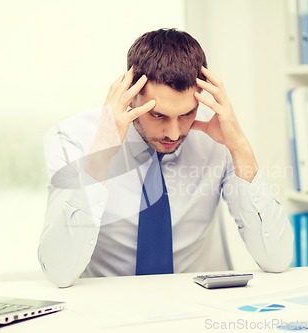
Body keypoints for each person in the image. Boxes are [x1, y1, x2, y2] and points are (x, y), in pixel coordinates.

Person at [38, 28, 294, 288]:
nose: (174, 133)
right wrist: (101, 156)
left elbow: (277, 259)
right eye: (158, 115)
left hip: (196, 307)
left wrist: (240, 147)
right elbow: (59, 272)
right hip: (108, 310)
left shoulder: (216, 139)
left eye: (186, 114)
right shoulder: (72, 139)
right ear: (130, 96)